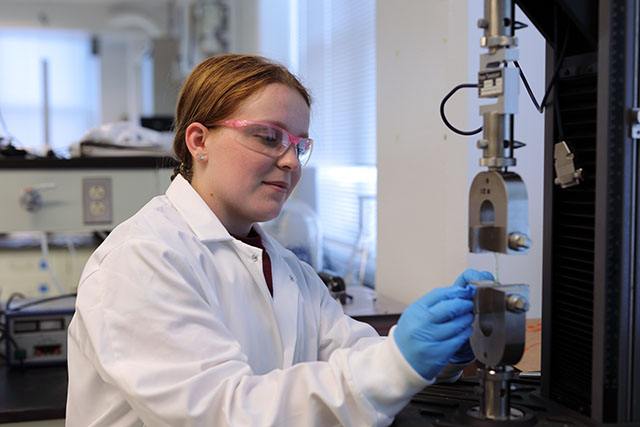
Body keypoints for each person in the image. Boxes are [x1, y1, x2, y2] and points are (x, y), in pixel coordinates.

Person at [66, 53, 493, 427]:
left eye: (298, 144)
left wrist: (437, 357)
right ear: (199, 141)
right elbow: (222, 413)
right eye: (268, 137)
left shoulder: (287, 269)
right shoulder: (140, 260)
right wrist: (398, 363)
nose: (290, 160)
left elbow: (356, 361)